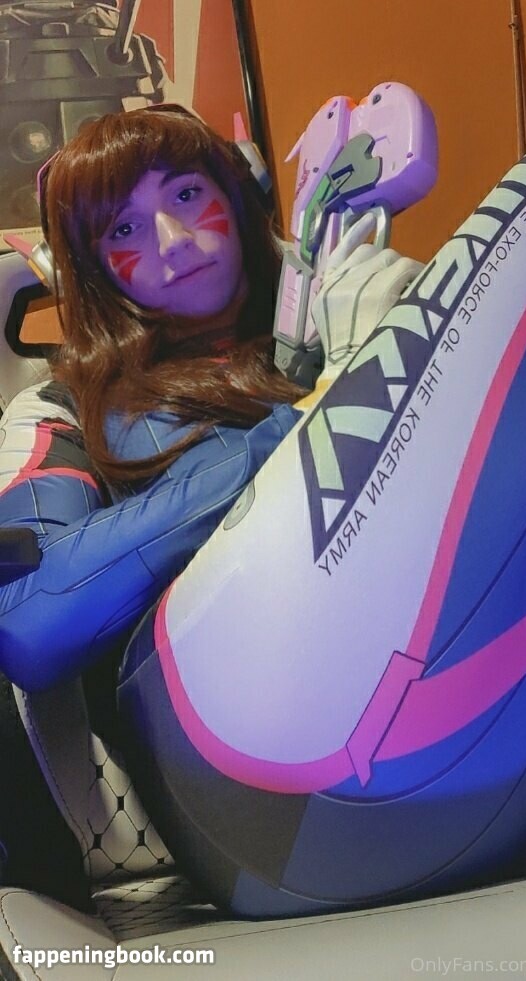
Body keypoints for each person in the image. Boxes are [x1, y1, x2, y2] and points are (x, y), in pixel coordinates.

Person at [0, 104, 423, 888]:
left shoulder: (339, 308)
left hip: (448, 678)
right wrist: (323, 413)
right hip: (255, 800)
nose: (169, 240)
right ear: (91, 266)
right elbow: (31, 614)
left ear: (236, 191)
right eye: (124, 229)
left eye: (187, 194)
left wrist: (431, 336)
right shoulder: (63, 409)